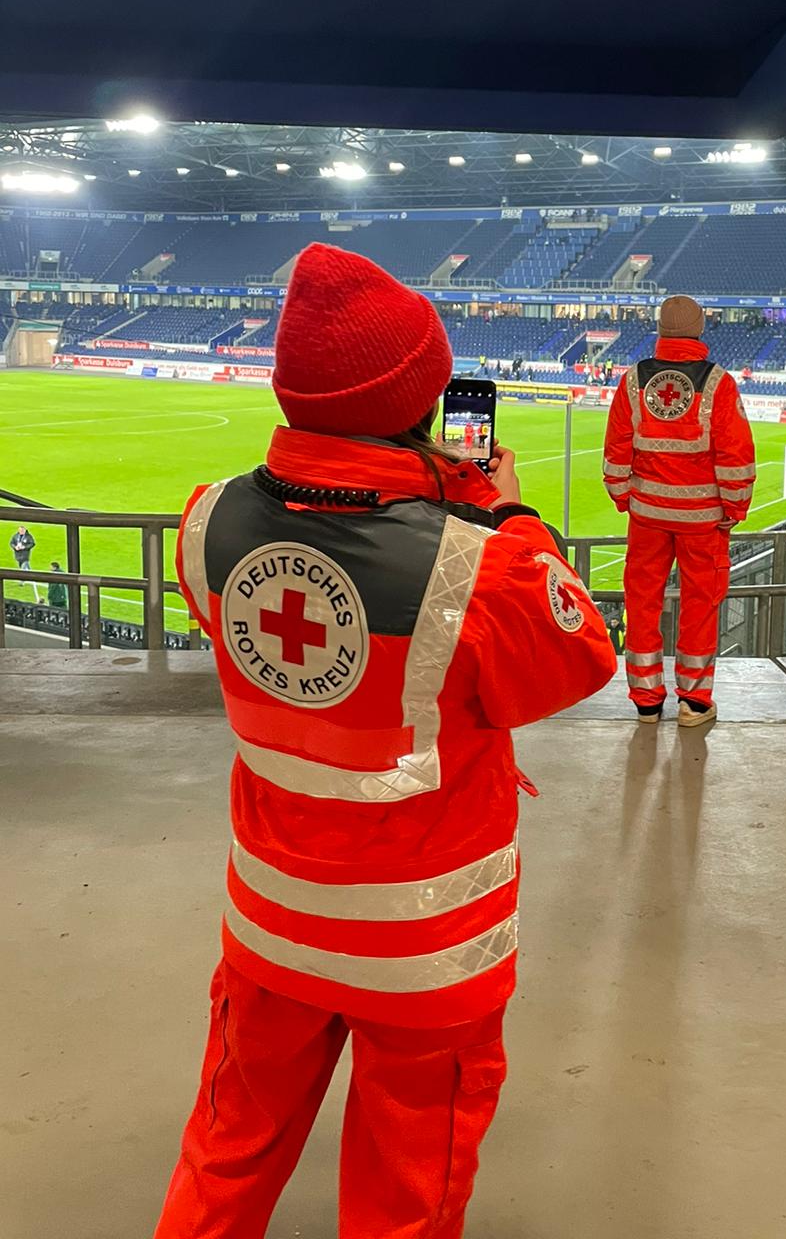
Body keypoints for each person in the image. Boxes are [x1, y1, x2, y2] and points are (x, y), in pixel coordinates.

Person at [155, 244, 616, 1239]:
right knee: (405, 1191)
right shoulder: (479, 566)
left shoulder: (205, 527)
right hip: (424, 951)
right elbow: (581, 655)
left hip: (270, 925)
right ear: (420, 395)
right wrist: (508, 511)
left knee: (226, 1150)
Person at [602, 294, 756, 726]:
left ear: (661, 330)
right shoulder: (718, 384)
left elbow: (616, 449)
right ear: (700, 330)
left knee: (642, 602)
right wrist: (735, 506)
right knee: (700, 606)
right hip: (704, 519)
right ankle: (694, 699)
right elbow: (735, 454)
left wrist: (622, 496)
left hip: (647, 515)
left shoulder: (634, 380)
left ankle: (646, 699)